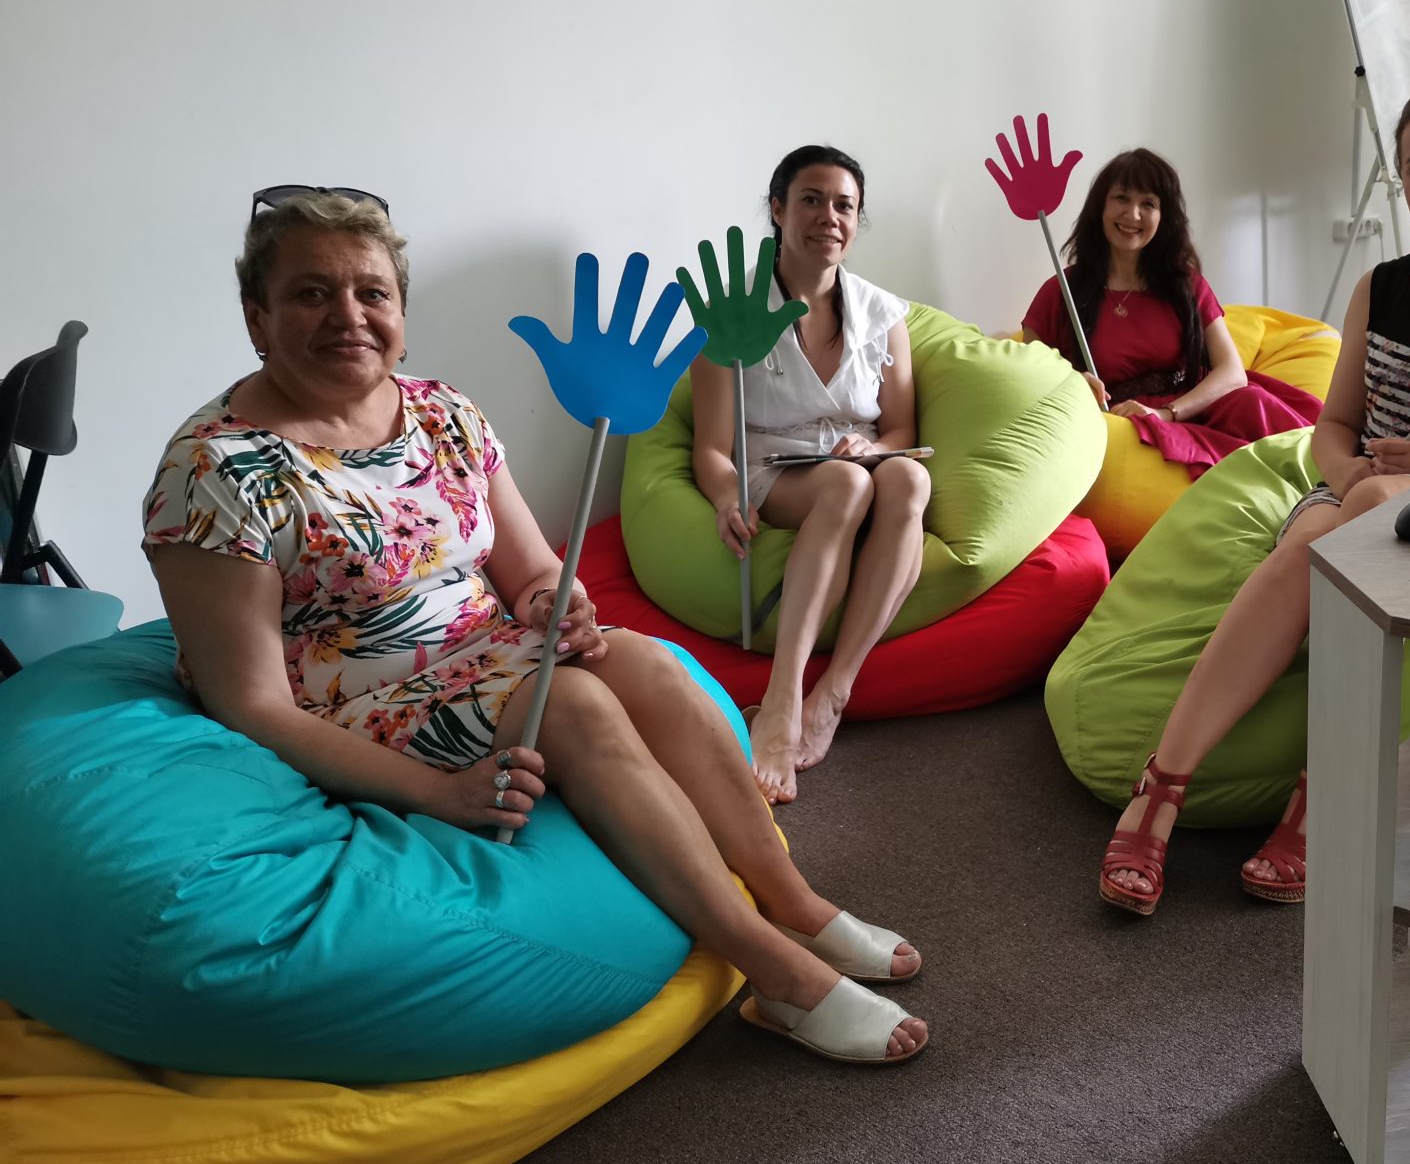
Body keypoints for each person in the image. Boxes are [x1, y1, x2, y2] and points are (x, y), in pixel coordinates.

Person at [143, 191, 929, 1066]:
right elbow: (250, 704)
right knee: (578, 708)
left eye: (372, 293)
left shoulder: (443, 412)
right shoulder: (216, 469)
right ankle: (775, 974)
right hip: (349, 698)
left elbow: (531, 572)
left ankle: (794, 903)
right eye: (310, 294)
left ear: (401, 310)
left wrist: (562, 603)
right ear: (256, 315)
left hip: (483, 651)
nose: (349, 317)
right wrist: (439, 794)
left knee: (648, 664)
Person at [1095, 73, 1410, 915]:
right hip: (1363, 500)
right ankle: (1168, 784)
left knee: (1363, 514)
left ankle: (1294, 790)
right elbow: (1333, 426)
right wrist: (1348, 475)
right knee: (1330, 524)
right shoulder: (1380, 286)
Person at [691, 146, 928, 804]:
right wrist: (724, 497)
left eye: (844, 205)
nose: (830, 217)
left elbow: (902, 431)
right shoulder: (731, 312)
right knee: (848, 485)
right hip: (772, 465)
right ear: (778, 209)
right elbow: (710, 446)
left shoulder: (884, 314)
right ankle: (782, 701)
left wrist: (870, 446)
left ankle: (835, 692)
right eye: (812, 200)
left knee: (910, 480)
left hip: (857, 460)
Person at [1020, 149, 1321, 479]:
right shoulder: (1062, 290)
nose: (1133, 214)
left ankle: (1323, 475)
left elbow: (1233, 372)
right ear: (1100, 207)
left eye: (1148, 204)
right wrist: (1075, 381)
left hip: (1191, 405)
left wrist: (1166, 413)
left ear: (1164, 216)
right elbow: (1029, 373)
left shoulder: (1186, 284)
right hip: (1122, 419)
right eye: (1121, 198)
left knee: (1252, 402)